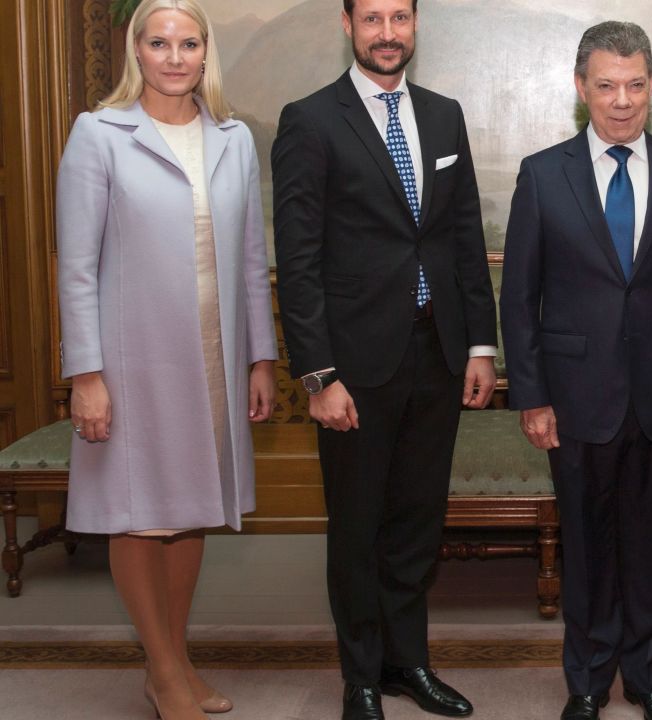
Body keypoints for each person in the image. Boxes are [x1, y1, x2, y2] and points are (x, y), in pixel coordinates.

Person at [270, 0, 497, 717]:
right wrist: (318, 374)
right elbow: (297, 258)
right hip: (354, 369)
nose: (388, 33)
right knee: (359, 525)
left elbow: (463, 236)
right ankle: (361, 675)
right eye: (373, 19)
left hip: (437, 354)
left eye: (400, 17)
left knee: (417, 521)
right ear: (348, 25)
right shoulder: (309, 120)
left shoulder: (442, 114)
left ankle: (408, 664)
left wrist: (481, 346)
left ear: (414, 24)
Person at [501, 20, 652, 720]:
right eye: (606, 85)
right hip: (574, 399)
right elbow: (519, 296)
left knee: (649, 547)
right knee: (587, 544)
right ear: (582, 88)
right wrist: (532, 397)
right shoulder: (544, 174)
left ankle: (649, 678)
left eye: (634, 85)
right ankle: (590, 681)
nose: (622, 100)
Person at [56, 0, 277, 718]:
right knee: (138, 514)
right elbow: (77, 266)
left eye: (188, 43)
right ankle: (164, 670)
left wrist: (261, 360)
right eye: (160, 42)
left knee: (190, 512)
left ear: (205, 54)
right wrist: (85, 375)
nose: (175, 56)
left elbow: (250, 261)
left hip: (214, 359)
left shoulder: (234, 139)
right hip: (132, 364)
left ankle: (172, 664)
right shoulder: (100, 134)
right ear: (137, 52)